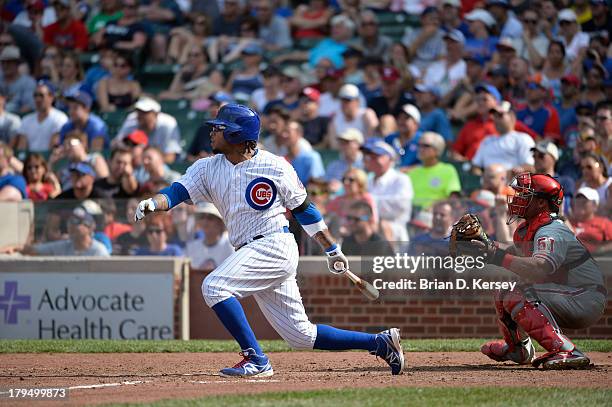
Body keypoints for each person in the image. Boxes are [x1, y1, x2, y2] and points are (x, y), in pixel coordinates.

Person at [134, 103, 405, 377]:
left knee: (214, 287)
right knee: (301, 336)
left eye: (220, 128)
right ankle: (380, 343)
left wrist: (331, 248)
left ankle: (256, 359)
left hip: (274, 244)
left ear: (238, 136)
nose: (213, 132)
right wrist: (153, 203)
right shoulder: (206, 168)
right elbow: (176, 192)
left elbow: (304, 210)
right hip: (250, 249)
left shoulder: (275, 166)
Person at [470, 173, 605, 369]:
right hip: (568, 294)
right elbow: (517, 256)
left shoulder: (551, 229)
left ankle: (566, 351)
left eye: (524, 195)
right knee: (503, 293)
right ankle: (518, 348)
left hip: (585, 297)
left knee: (516, 293)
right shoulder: (531, 228)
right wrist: (486, 247)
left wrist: (495, 256)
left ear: (541, 203)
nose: (517, 199)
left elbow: (539, 268)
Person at [362, 137, 413, 242]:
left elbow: (401, 206)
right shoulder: (367, 179)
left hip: (395, 228)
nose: (372, 159)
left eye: (377, 156)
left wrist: (369, 201)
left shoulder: (401, 179)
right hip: (368, 226)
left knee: (382, 226)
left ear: (390, 159)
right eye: (370, 156)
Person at [472, 101, 536, 172]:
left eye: (500, 115)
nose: (496, 119)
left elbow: (530, 165)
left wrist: (517, 170)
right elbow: (476, 165)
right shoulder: (487, 140)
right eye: (494, 116)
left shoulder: (523, 138)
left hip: (510, 181)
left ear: (512, 117)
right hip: (487, 180)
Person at [115, 97, 182, 163]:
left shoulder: (168, 124)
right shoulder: (132, 119)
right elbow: (116, 144)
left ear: (156, 114)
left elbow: (170, 158)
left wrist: (146, 158)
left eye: (145, 112)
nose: (140, 115)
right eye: (138, 111)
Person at [23, 206, 110, 256]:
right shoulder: (65, 246)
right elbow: (33, 250)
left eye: (76, 222)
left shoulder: (99, 251)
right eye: (69, 221)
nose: (71, 225)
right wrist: (14, 248)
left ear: (89, 227)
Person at [408, 132, 461, 209]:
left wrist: (435, 207)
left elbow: (453, 198)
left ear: (437, 150)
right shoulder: (412, 172)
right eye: (419, 145)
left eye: (426, 146)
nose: (420, 149)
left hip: (435, 214)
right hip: (411, 214)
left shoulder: (448, 170)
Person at [14, 81, 67, 152]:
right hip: (30, 161)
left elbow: (53, 148)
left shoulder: (60, 118)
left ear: (51, 97)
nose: (38, 99)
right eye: (35, 95)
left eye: (41, 95)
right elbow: (22, 148)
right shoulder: (26, 119)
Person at [185, 203, 234, 270]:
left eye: (210, 217)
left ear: (220, 222)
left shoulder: (230, 246)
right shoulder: (192, 247)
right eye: (202, 217)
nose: (205, 221)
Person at [281, 120, 325, 187]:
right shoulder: (281, 160)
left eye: (288, 132)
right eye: (283, 132)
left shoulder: (312, 157)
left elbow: (317, 184)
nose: (284, 135)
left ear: (299, 134)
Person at [569, 187, 612, 254]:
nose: (579, 203)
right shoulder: (567, 222)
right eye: (577, 200)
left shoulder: (603, 223)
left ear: (595, 205)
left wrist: (601, 250)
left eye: (584, 201)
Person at [0, 46, 36, 114]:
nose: (5, 65)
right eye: (3, 62)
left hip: (18, 119)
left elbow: (29, 106)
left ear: (17, 63)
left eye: (9, 62)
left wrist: (10, 116)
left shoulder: (28, 82)